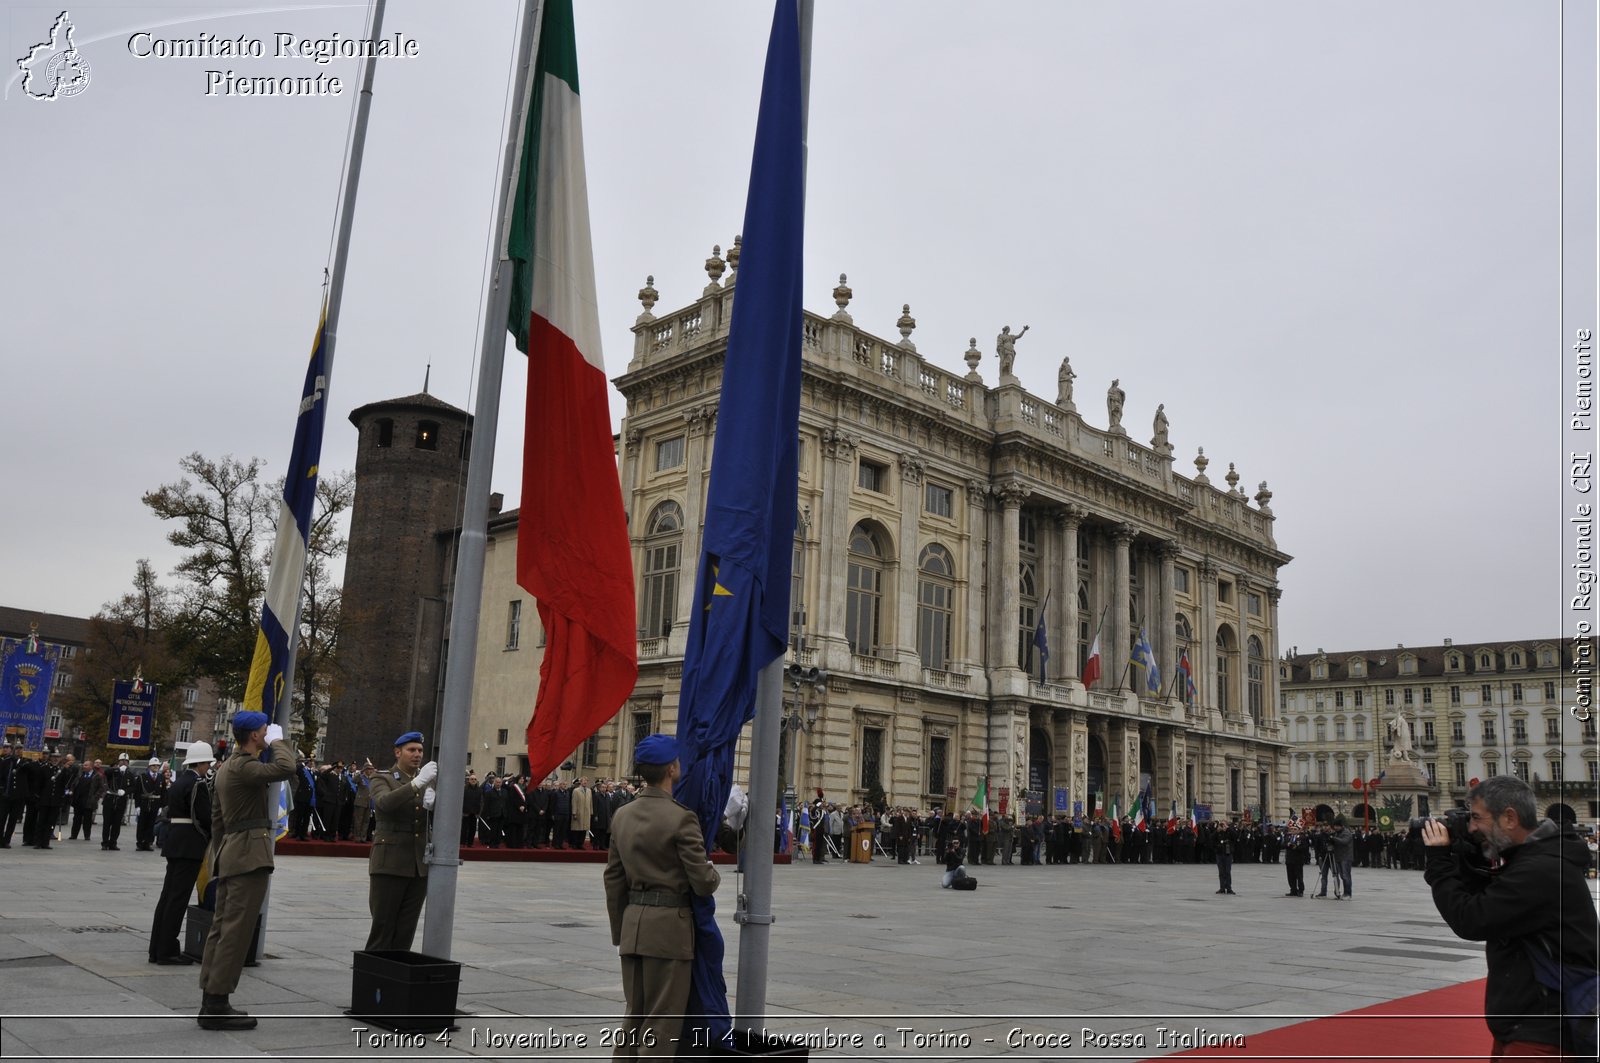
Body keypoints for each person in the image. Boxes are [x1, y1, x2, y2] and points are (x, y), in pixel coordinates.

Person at [1423, 775, 1599, 1058]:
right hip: (1528, 1022)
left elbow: (1471, 918)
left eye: (1478, 818)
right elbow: (1488, 901)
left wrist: (1439, 863)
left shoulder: (1539, 870)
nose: (1471, 827)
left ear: (1509, 818)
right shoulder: (1534, 860)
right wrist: (1470, 857)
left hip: (1543, 1028)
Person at [603, 735, 720, 1060]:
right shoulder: (680, 817)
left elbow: (613, 879)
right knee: (661, 1025)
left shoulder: (623, 815)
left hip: (633, 929)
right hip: (669, 933)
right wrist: (713, 873)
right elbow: (702, 882)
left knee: (634, 1019)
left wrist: (620, 931)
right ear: (671, 769)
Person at [195, 711, 295, 1031]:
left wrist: (223, 854)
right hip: (248, 856)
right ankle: (217, 1003)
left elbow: (218, 821)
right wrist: (279, 742)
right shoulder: (244, 765)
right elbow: (286, 767)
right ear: (254, 736)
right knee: (236, 933)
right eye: (265, 730)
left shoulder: (227, 767)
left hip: (233, 855)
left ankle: (211, 997)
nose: (267, 733)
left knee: (223, 929)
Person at [364, 731, 436, 952]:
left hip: (417, 865)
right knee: (383, 927)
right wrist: (417, 784)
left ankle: (395, 976)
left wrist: (435, 807)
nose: (417, 755)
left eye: (420, 750)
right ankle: (374, 978)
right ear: (398, 752)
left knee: (406, 929)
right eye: (411, 750)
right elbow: (384, 803)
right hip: (391, 862)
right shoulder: (382, 777)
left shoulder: (425, 781)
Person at [149, 742, 213, 964]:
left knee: (167, 896)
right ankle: (167, 950)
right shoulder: (198, 784)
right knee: (178, 899)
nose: (208, 767)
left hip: (175, 840)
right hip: (190, 844)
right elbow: (204, 816)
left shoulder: (179, 782)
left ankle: (156, 948)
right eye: (208, 763)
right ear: (202, 763)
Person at [134, 756, 169, 851]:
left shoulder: (161, 777)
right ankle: (140, 843)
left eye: (157, 766)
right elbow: (137, 792)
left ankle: (147, 843)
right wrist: (137, 806)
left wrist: (161, 806)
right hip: (144, 803)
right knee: (142, 824)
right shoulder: (142, 777)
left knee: (151, 824)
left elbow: (163, 793)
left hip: (155, 804)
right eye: (154, 766)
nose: (156, 767)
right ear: (149, 766)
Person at [1283, 824, 1309, 897]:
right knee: (1290, 876)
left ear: (1299, 830)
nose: (1293, 831)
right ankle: (1293, 890)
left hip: (1298, 859)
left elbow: (1305, 847)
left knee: (1299, 876)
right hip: (1289, 859)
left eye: (1295, 829)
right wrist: (1287, 845)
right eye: (1292, 829)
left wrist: (1296, 848)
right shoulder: (1288, 837)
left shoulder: (1302, 837)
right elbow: (1283, 845)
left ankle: (1301, 890)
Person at [1214, 819, 1236, 894]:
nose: (1222, 826)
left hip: (1228, 854)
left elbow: (1235, 836)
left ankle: (1229, 888)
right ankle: (1222, 888)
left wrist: (1228, 828)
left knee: (1227, 871)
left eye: (1224, 824)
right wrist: (1217, 831)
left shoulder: (1229, 831)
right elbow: (1211, 838)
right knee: (1221, 872)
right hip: (1219, 854)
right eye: (1221, 824)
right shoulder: (1218, 832)